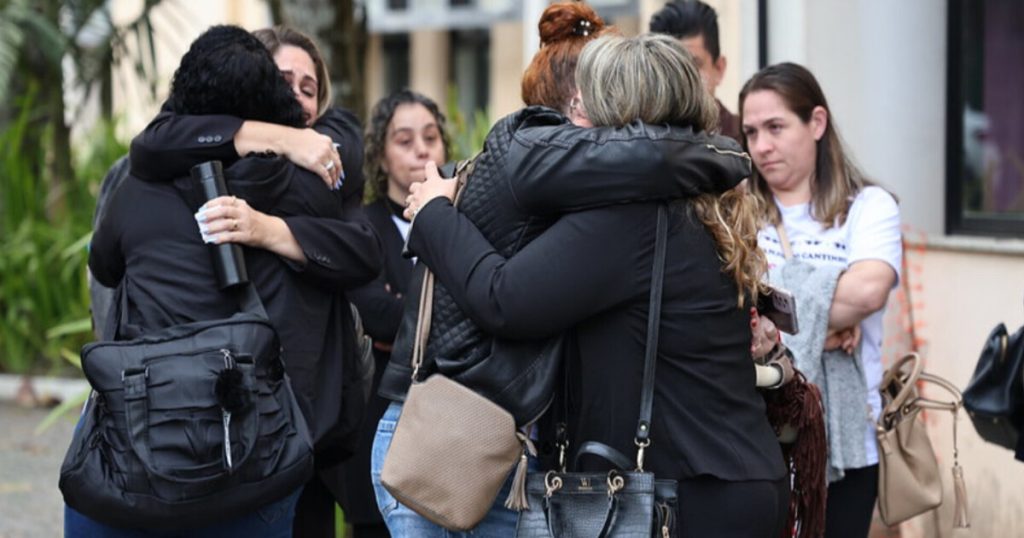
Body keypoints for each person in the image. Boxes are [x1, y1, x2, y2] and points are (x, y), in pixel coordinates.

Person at [403, 33, 789, 537]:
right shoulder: (707, 196)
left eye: (587, 99)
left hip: (681, 496)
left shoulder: (631, 218)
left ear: (617, 111)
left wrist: (434, 214)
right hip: (735, 478)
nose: (574, 114)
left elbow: (504, 300)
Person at [74, 25, 383, 537]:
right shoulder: (291, 179)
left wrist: (272, 231)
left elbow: (105, 265)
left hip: (162, 433)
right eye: (284, 83)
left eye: (309, 88)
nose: (297, 99)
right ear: (264, 96)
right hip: (267, 438)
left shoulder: (137, 185)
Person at [740, 62, 902, 538]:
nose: (760, 146)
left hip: (847, 443)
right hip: (753, 437)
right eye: (750, 132)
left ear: (816, 123)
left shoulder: (869, 207)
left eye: (775, 127)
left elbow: (870, 290)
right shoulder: (738, 212)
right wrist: (827, 302)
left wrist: (771, 300)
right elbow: (725, 300)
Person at [342, 89, 449, 538]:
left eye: (430, 137)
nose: (422, 149)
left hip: (448, 428)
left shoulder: (458, 219)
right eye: (404, 140)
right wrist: (439, 311)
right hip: (379, 422)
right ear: (380, 157)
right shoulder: (359, 225)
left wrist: (406, 310)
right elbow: (377, 316)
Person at [649, 0, 741, 142]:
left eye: (694, 65)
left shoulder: (749, 142)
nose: (682, 79)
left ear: (719, 69)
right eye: (670, 67)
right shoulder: (640, 145)